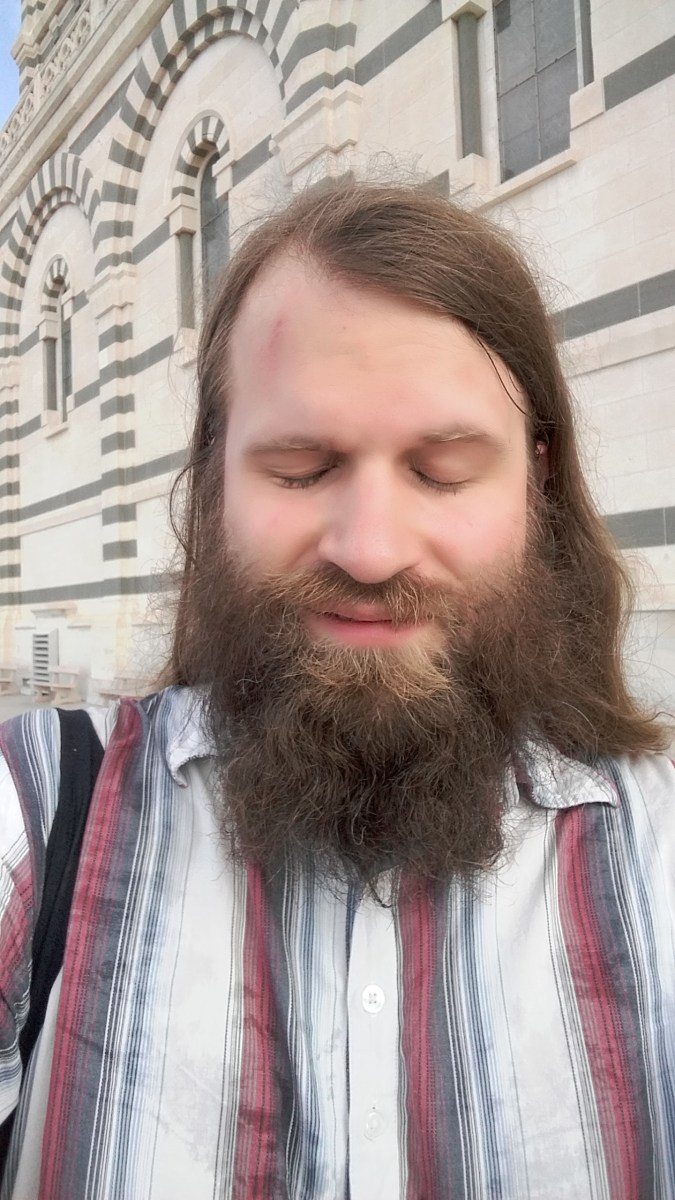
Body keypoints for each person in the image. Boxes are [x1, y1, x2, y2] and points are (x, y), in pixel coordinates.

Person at [0, 179, 673, 1200]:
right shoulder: (41, 809)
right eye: (301, 469)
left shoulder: (655, 851)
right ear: (214, 478)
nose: (369, 551)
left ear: (537, 481)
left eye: (442, 471)